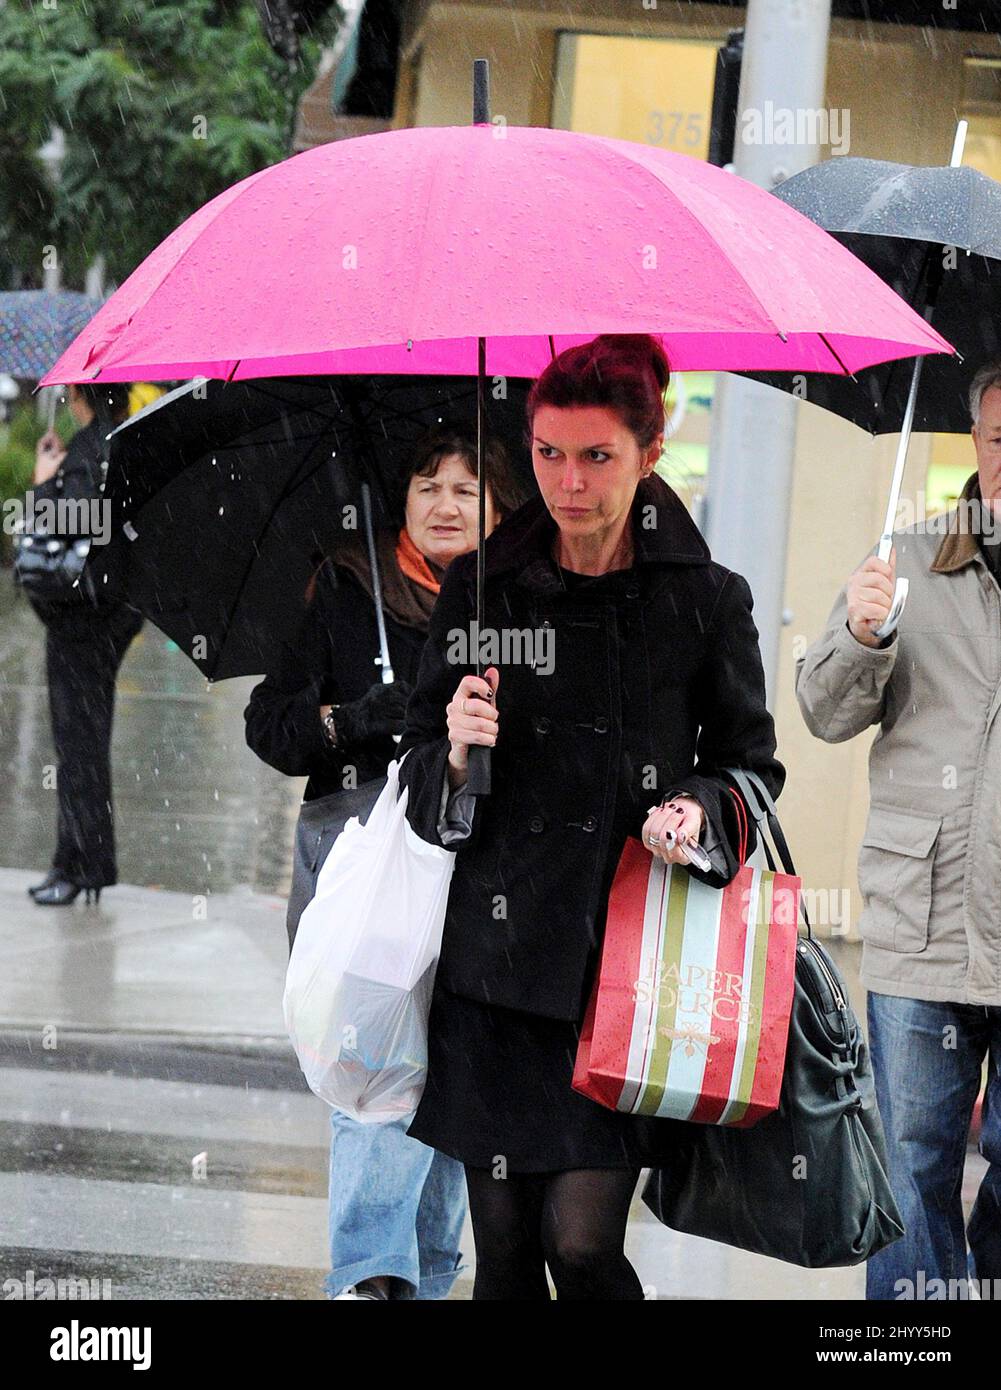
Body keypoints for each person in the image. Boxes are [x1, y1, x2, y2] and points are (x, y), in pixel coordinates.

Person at [395, 334, 784, 1301]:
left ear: (650, 451)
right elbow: (412, 775)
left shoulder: (702, 598)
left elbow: (751, 765)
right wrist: (450, 745)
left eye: (597, 456)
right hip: (495, 970)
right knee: (506, 1259)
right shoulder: (479, 588)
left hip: (623, 967)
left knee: (581, 1244)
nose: (568, 483)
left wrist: (696, 806)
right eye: (547, 453)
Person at [244, 426, 526, 1301]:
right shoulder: (346, 584)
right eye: (427, 485)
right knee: (373, 1064)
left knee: (447, 1073)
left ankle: (427, 1277)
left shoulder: (518, 607)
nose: (445, 504)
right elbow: (271, 727)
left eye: (467, 489)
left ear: (499, 508)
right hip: (358, 857)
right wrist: (363, 717)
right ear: (398, 499)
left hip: (480, 866)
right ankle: (371, 1278)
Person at [796, 358, 1001, 1301]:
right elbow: (823, 711)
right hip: (922, 927)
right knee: (910, 1164)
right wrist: (860, 636)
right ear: (974, 442)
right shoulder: (908, 560)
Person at [27, 382, 144, 907]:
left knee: (78, 747)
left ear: (79, 394)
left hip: (80, 623)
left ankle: (80, 866)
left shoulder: (86, 454)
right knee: (85, 742)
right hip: (112, 616)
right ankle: (77, 863)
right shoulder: (121, 444)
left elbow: (78, 530)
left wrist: (42, 484)